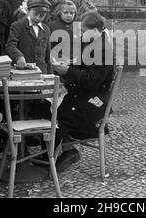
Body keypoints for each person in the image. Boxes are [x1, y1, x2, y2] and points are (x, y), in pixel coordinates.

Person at [49, 11, 114, 171]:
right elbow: (85, 68)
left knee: (49, 114)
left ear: (96, 30)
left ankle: (67, 150)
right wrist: (68, 66)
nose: (82, 34)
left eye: (84, 31)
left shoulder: (103, 50)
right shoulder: (95, 44)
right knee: (47, 106)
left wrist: (67, 71)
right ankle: (55, 151)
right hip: (86, 98)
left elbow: (91, 81)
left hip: (92, 108)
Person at [6, 0, 53, 73]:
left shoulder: (46, 29)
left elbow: (47, 56)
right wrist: (19, 57)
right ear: (28, 11)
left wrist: (50, 74)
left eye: (41, 16)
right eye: (35, 14)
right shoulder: (17, 26)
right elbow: (10, 45)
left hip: (41, 72)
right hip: (23, 71)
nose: (38, 18)